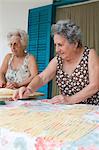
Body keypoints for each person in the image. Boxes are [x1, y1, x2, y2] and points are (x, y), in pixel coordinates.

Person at [13, 20, 99, 105]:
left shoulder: (90, 55)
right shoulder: (58, 60)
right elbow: (42, 77)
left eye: (60, 45)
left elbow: (95, 85)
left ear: (75, 43)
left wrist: (70, 100)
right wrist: (29, 89)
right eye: (55, 45)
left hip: (91, 110)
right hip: (69, 111)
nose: (57, 50)